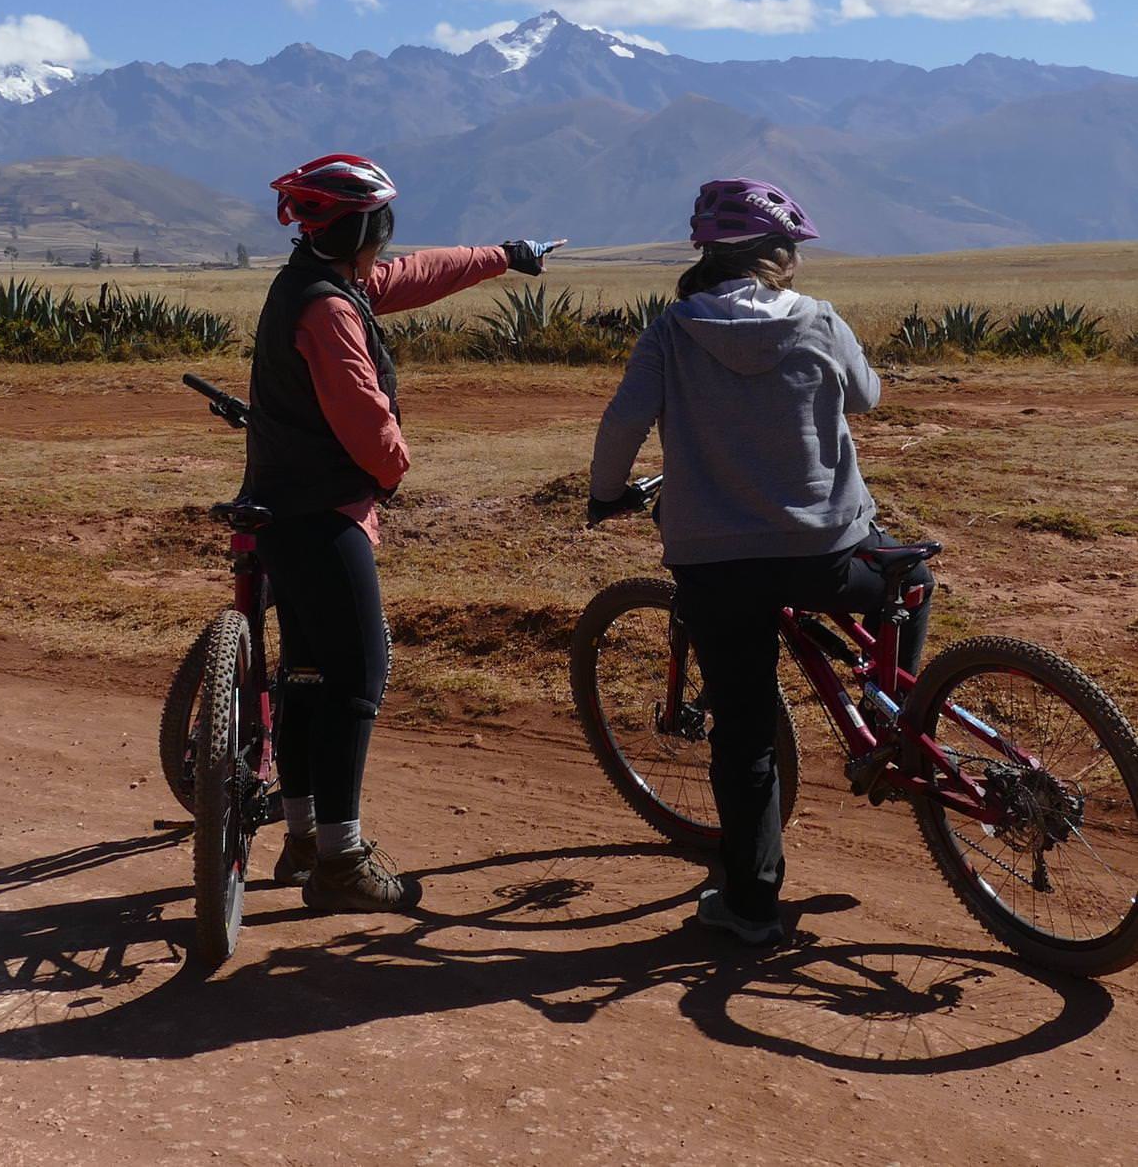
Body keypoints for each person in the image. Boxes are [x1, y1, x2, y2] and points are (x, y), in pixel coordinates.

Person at [587, 179, 933, 946]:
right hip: (827, 555)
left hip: (715, 565)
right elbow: (868, 398)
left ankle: (750, 908)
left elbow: (620, 426)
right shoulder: (820, 320)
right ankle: (895, 720)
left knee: (742, 730)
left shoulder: (672, 331)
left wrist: (605, 494)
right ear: (776, 256)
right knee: (910, 582)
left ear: (710, 255)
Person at [242, 152, 562, 912]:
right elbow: (363, 418)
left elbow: (415, 276)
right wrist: (392, 470)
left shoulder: (317, 286)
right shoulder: (329, 308)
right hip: (323, 514)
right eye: (383, 225)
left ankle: (302, 839)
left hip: (281, 506)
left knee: (308, 677)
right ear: (364, 226)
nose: (388, 240)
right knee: (357, 676)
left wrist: (504, 257)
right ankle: (342, 861)